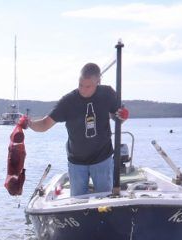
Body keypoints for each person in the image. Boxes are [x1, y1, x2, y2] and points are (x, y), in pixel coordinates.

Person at [26, 62, 128, 196]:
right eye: (80, 85)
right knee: (77, 201)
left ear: (98, 82)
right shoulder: (68, 101)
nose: (83, 90)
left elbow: (117, 116)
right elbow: (45, 124)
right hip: (77, 162)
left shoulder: (107, 93)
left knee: (105, 200)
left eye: (88, 86)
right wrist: (30, 124)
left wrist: (122, 116)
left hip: (102, 158)